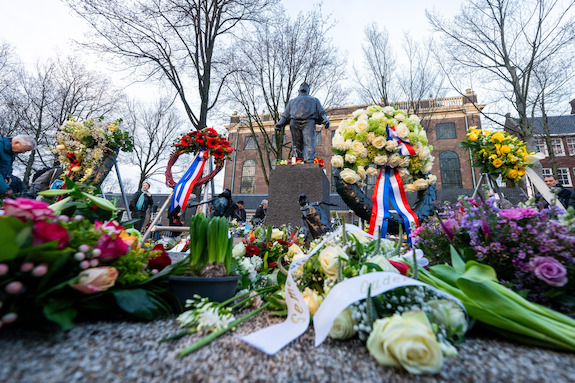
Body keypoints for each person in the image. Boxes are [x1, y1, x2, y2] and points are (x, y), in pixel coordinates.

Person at [274, 82, 330, 162]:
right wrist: (279, 123)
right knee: (297, 145)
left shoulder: (313, 100)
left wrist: (325, 119)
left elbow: (321, 112)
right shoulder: (293, 101)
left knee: (308, 143)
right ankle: (298, 161)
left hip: (308, 122)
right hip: (295, 123)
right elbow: (285, 115)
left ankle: (308, 161)